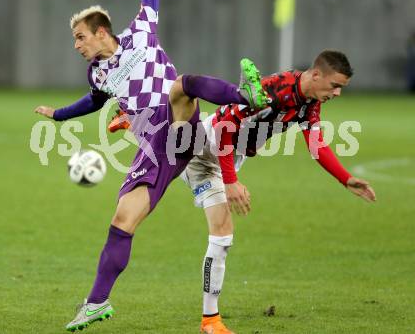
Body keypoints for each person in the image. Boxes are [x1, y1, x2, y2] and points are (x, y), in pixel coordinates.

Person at [34, 0, 268, 332]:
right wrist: (58, 115)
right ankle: (96, 302)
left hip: (179, 123)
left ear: (101, 31)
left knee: (182, 86)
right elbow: (93, 102)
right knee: (122, 221)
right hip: (156, 150)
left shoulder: (140, 32)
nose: (77, 45)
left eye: (80, 37)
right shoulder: (97, 73)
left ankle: (248, 96)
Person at [110, 50, 377, 333]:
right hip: (209, 149)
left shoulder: (308, 103)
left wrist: (345, 179)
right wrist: (230, 180)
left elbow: (316, 143)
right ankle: (210, 321)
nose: (337, 93)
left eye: (341, 88)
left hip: (223, 154)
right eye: (335, 85)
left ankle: (137, 121)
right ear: (316, 75)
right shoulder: (275, 90)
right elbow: (227, 127)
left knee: (220, 228)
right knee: (219, 222)